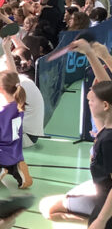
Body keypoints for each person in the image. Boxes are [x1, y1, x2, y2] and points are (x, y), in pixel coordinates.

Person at [40, 40, 112, 228]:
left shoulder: (108, 140)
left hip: (107, 201)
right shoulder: (106, 127)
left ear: (105, 105)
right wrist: (91, 55)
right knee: (49, 208)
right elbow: (107, 90)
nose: (89, 97)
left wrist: (101, 220)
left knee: (50, 208)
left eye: (92, 99)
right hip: (102, 188)